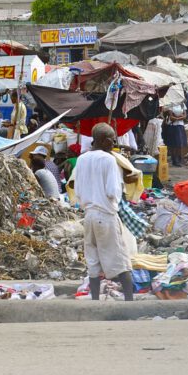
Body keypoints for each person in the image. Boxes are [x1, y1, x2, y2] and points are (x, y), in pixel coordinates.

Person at [69, 123, 134, 302]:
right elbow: (113, 191)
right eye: (112, 139)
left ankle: (95, 301)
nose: (114, 142)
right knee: (120, 260)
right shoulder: (109, 160)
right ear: (105, 141)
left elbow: (78, 191)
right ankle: (130, 302)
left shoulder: (82, 159)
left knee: (93, 261)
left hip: (89, 216)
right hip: (105, 215)